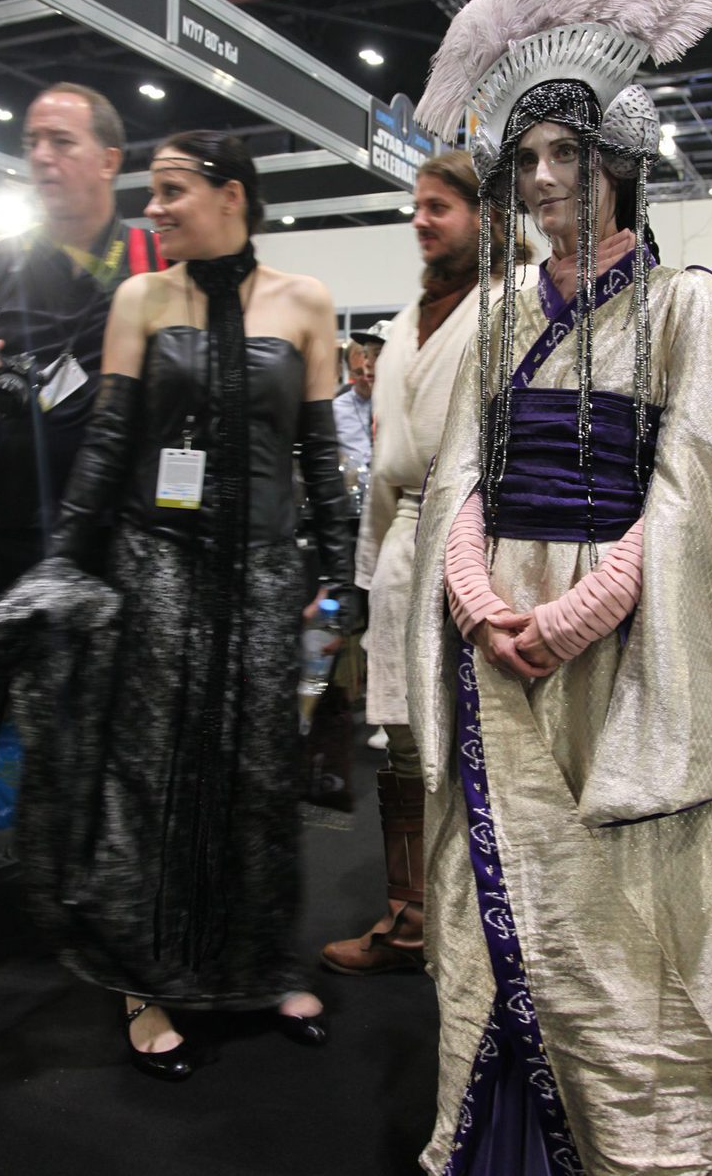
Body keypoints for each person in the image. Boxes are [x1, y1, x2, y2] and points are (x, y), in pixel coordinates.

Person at [406, 0, 712, 1175]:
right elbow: (455, 476)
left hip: (633, 657)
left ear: (620, 161)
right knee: (506, 903)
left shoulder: (695, 307)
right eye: (522, 155)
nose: (539, 179)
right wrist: (477, 599)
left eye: (565, 153)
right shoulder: (495, 313)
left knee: (627, 920)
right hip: (502, 648)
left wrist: (583, 610)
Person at [0, 129, 354, 1078]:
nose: (155, 208)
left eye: (173, 190)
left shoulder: (305, 302)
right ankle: (145, 978)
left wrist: (343, 579)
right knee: (154, 772)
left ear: (232, 195)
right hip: (158, 568)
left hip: (262, 576)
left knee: (257, 777)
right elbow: (105, 448)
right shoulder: (142, 298)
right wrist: (65, 563)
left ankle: (258, 962)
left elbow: (319, 459)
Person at [0, 83, 164, 1026]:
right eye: (31, 143)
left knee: (114, 757)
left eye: (62, 141)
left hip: (111, 562)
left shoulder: (157, 265)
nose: (42, 157)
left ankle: (127, 954)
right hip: (3, 546)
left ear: (109, 158)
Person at [321, 152, 526, 976]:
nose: (421, 219)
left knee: (482, 740)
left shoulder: (514, 306)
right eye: (418, 205)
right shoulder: (410, 319)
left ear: (485, 216)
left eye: (439, 205)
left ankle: (484, 925)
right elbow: (383, 458)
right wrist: (367, 573)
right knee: (404, 741)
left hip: (485, 541)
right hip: (405, 537)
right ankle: (410, 918)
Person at [332, 340, 373, 469]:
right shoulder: (336, 410)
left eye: (368, 370)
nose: (366, 377)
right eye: (359, 372)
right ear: (350, 372)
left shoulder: (392, 404)